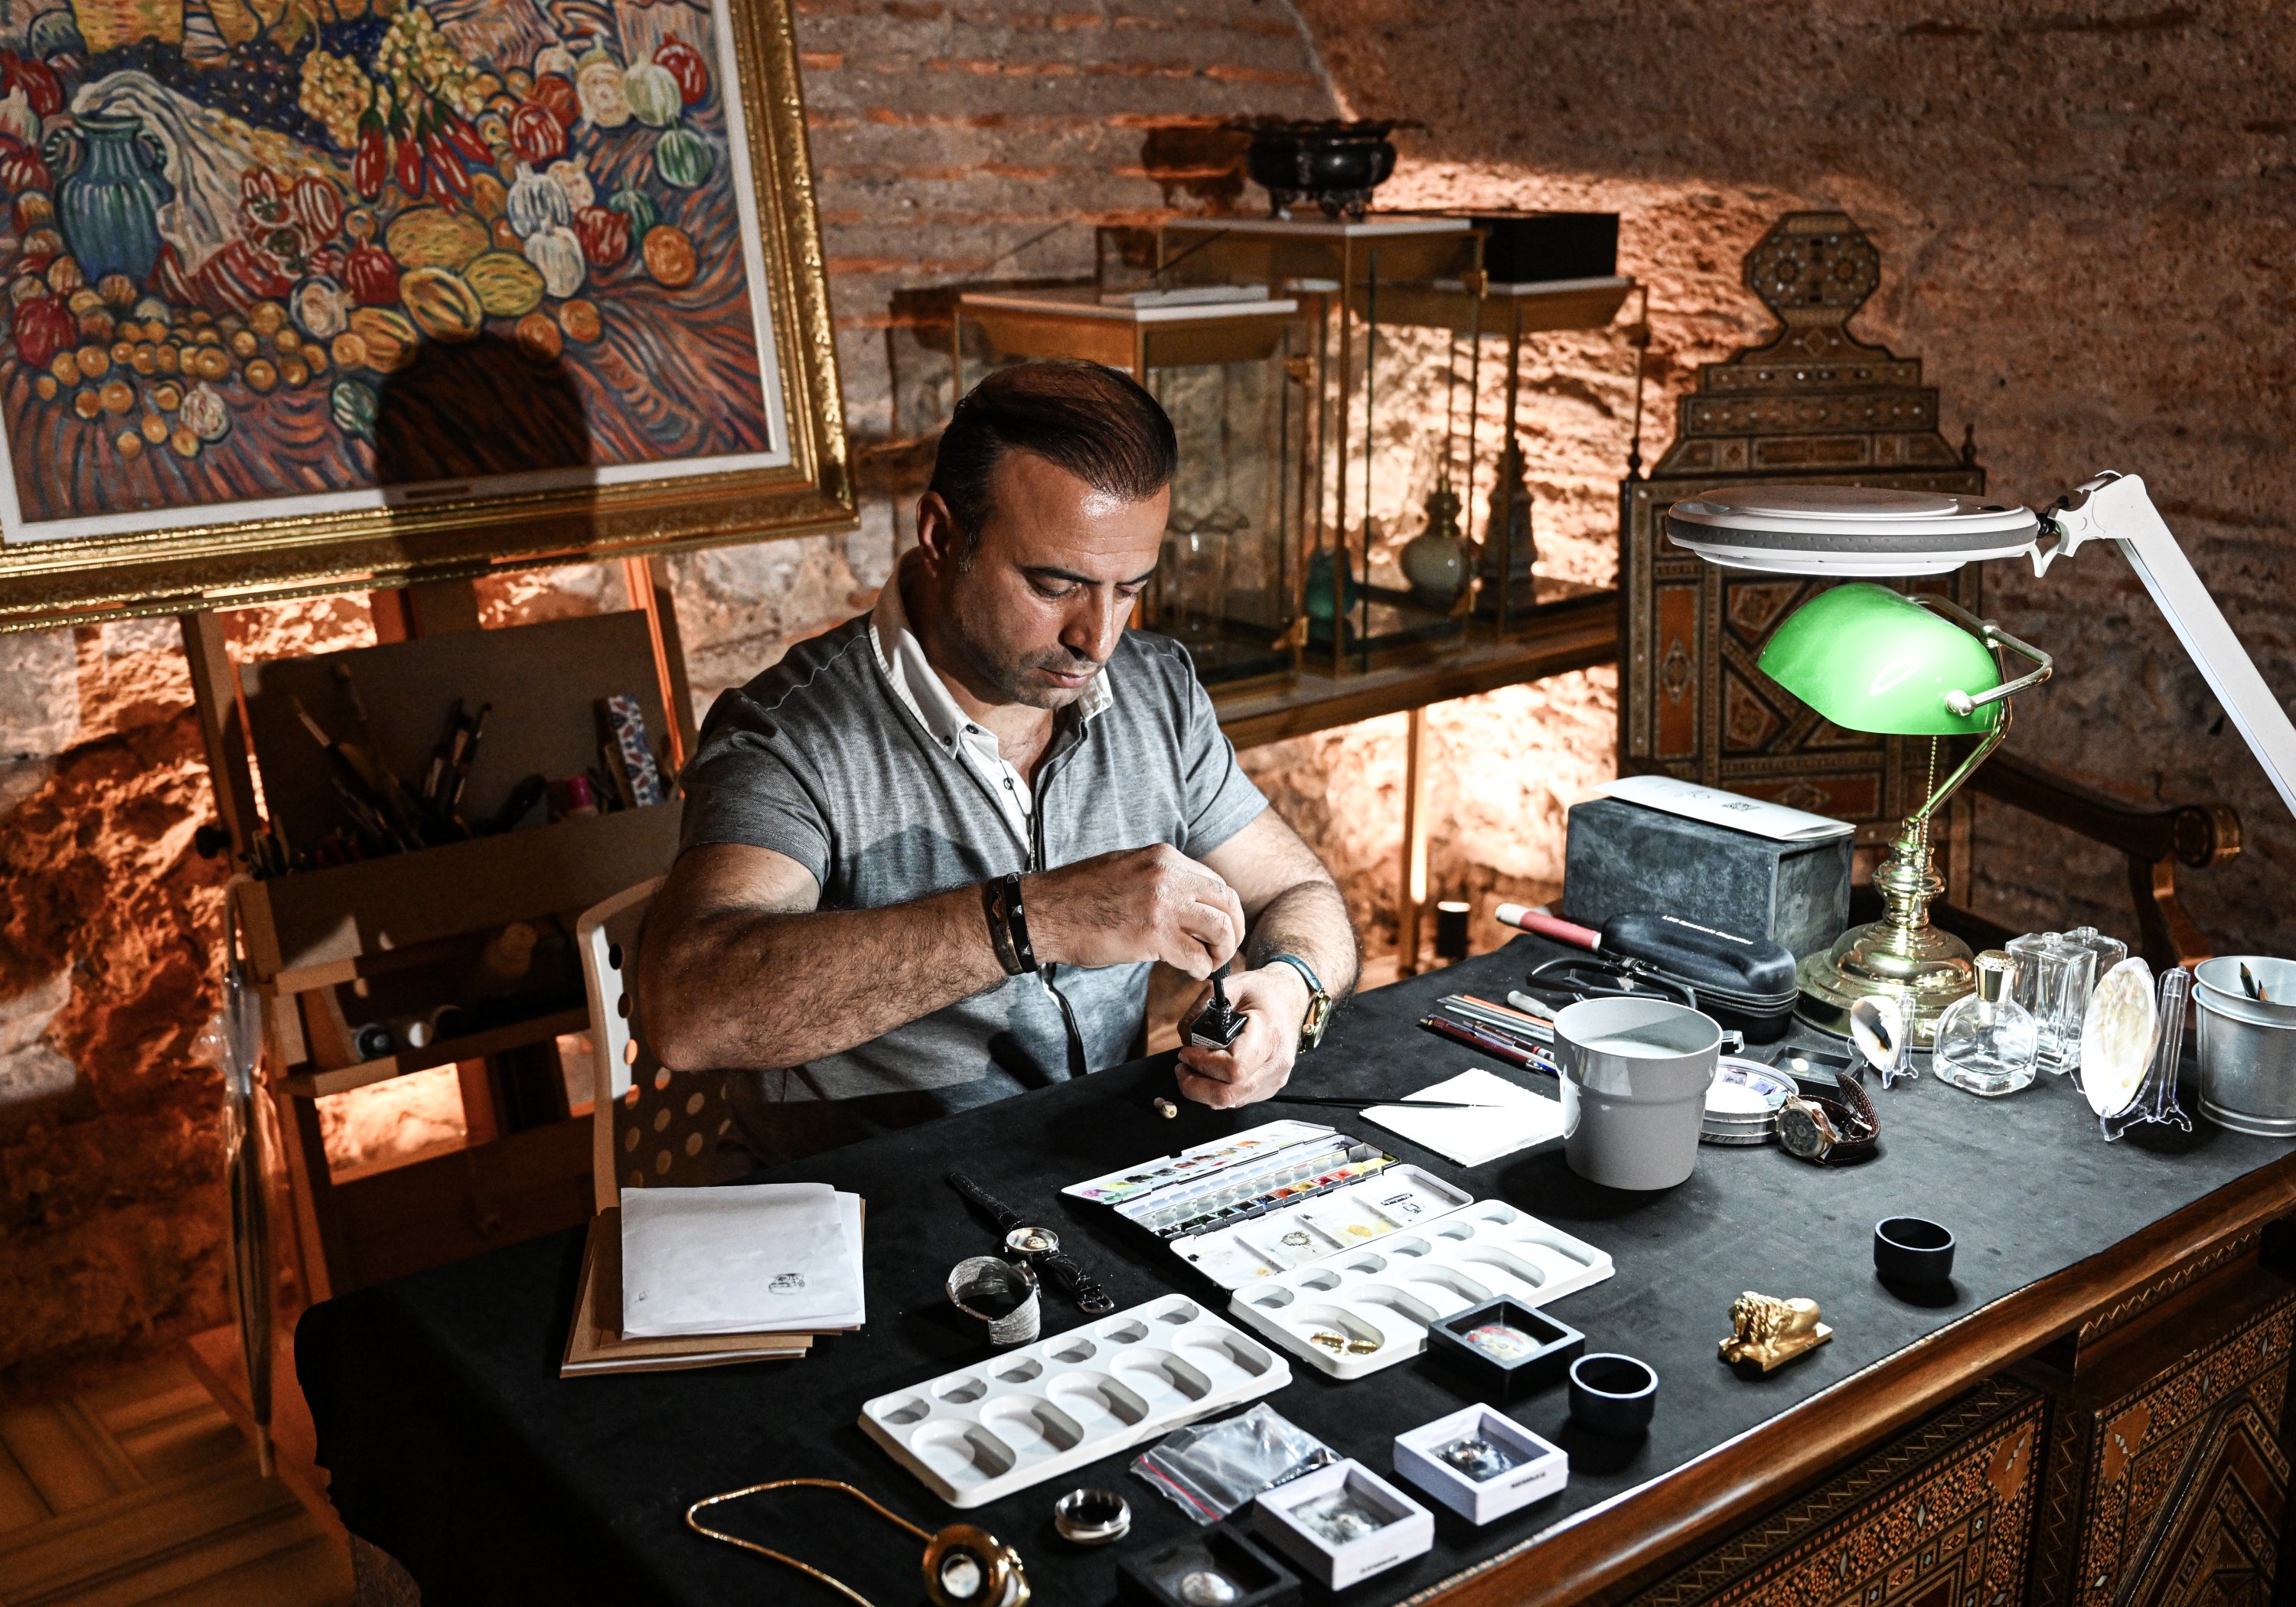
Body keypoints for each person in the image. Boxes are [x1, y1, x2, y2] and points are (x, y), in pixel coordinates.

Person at [643, 360, 1358, 1164]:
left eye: (1130, 589)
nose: (1099, 637)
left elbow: (1299, 891)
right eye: (1055, 586)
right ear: (944, 535)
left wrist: (1293, 987)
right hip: (877, 1209)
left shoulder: (1157, 689)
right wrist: (1038, 916)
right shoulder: (793, 731)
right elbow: (688, 1007)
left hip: (1097, 1174)